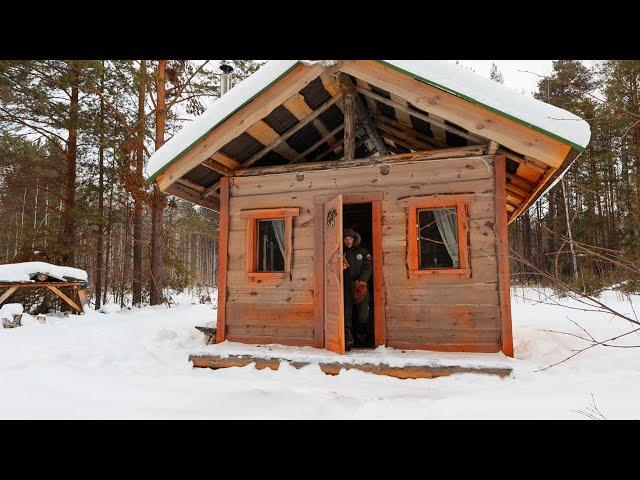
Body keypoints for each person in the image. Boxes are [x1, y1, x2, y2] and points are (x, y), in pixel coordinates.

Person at [342, 228, 372, 351]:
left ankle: (363, 334)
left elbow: (368, 266)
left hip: (361, 284)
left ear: (354, 239)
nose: (348, 241)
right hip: (346, 285)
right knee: (346, 311)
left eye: (350, 238)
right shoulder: (340, 252)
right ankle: (348, 338)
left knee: (363, 311)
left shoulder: (363, 251)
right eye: (345, 239)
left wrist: (363, 281)